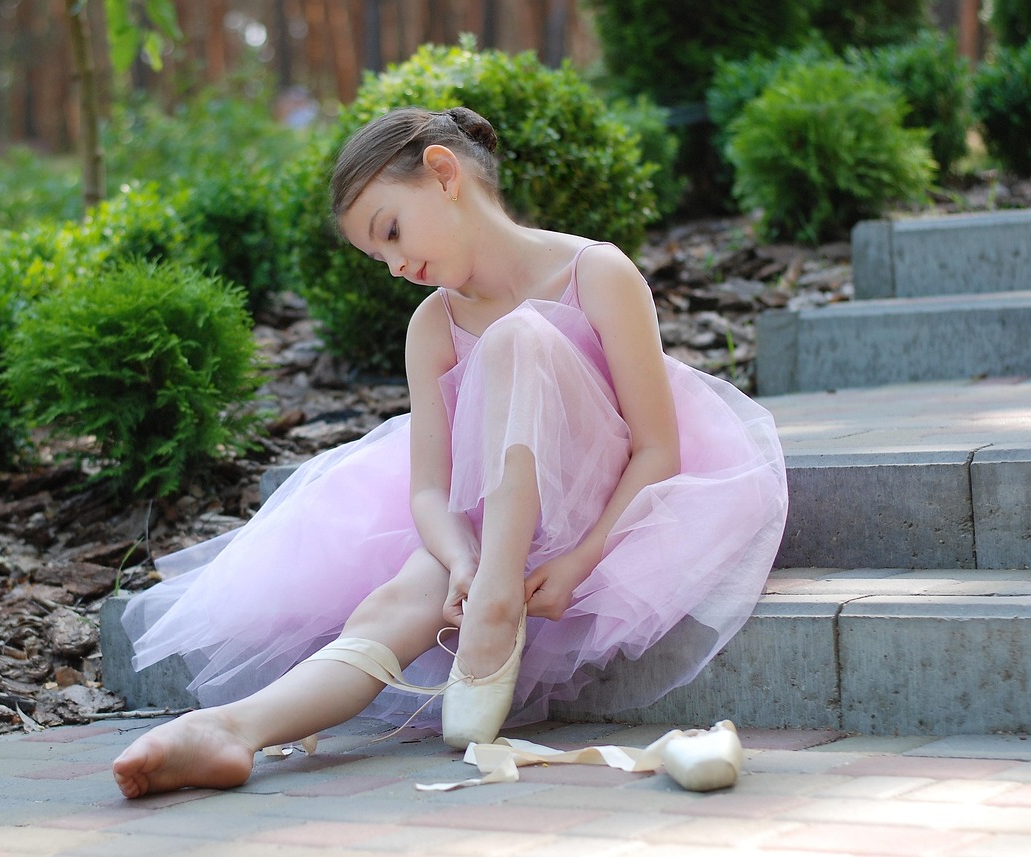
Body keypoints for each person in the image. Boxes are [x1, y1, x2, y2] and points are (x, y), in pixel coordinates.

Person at [111, 106, 788, 799]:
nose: (398, 265)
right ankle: (230, 727)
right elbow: (430, 491)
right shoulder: (431, 325)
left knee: (517, 338)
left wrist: (579, 559)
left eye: (392, 231)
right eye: (381, 258)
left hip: (597, 507)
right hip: (489, 523)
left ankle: (495, 608)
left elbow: (656, 449)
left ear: (442, 173)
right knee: (401, 598)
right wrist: (463, 559)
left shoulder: (597, 272)